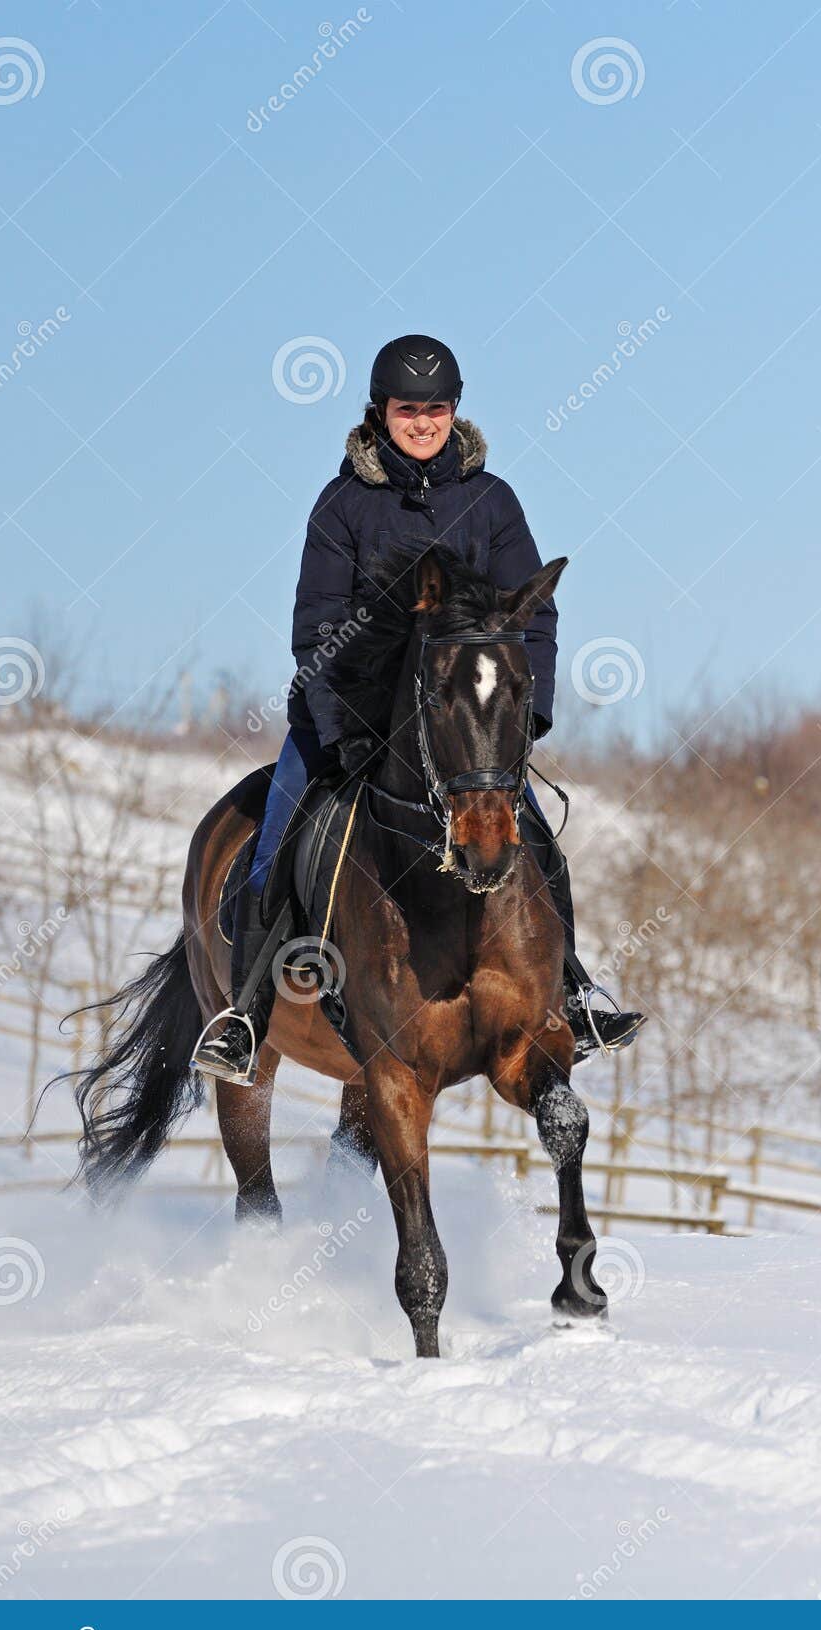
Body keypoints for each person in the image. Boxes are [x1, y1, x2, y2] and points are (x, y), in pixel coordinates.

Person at [192, 335, 643, 1084]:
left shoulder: (492, 501)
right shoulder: (343, 505)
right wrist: (343, 733)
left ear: (455, 410)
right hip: (344, 724)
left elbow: (530, 618)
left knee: (538, 841)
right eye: (409, 410)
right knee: (275, 846)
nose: (424, 422)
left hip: (464, 735)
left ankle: (575, 990)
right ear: (380, 412)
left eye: (437, 408)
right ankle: (243, 1014)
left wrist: (518, 725)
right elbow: (317, 628)